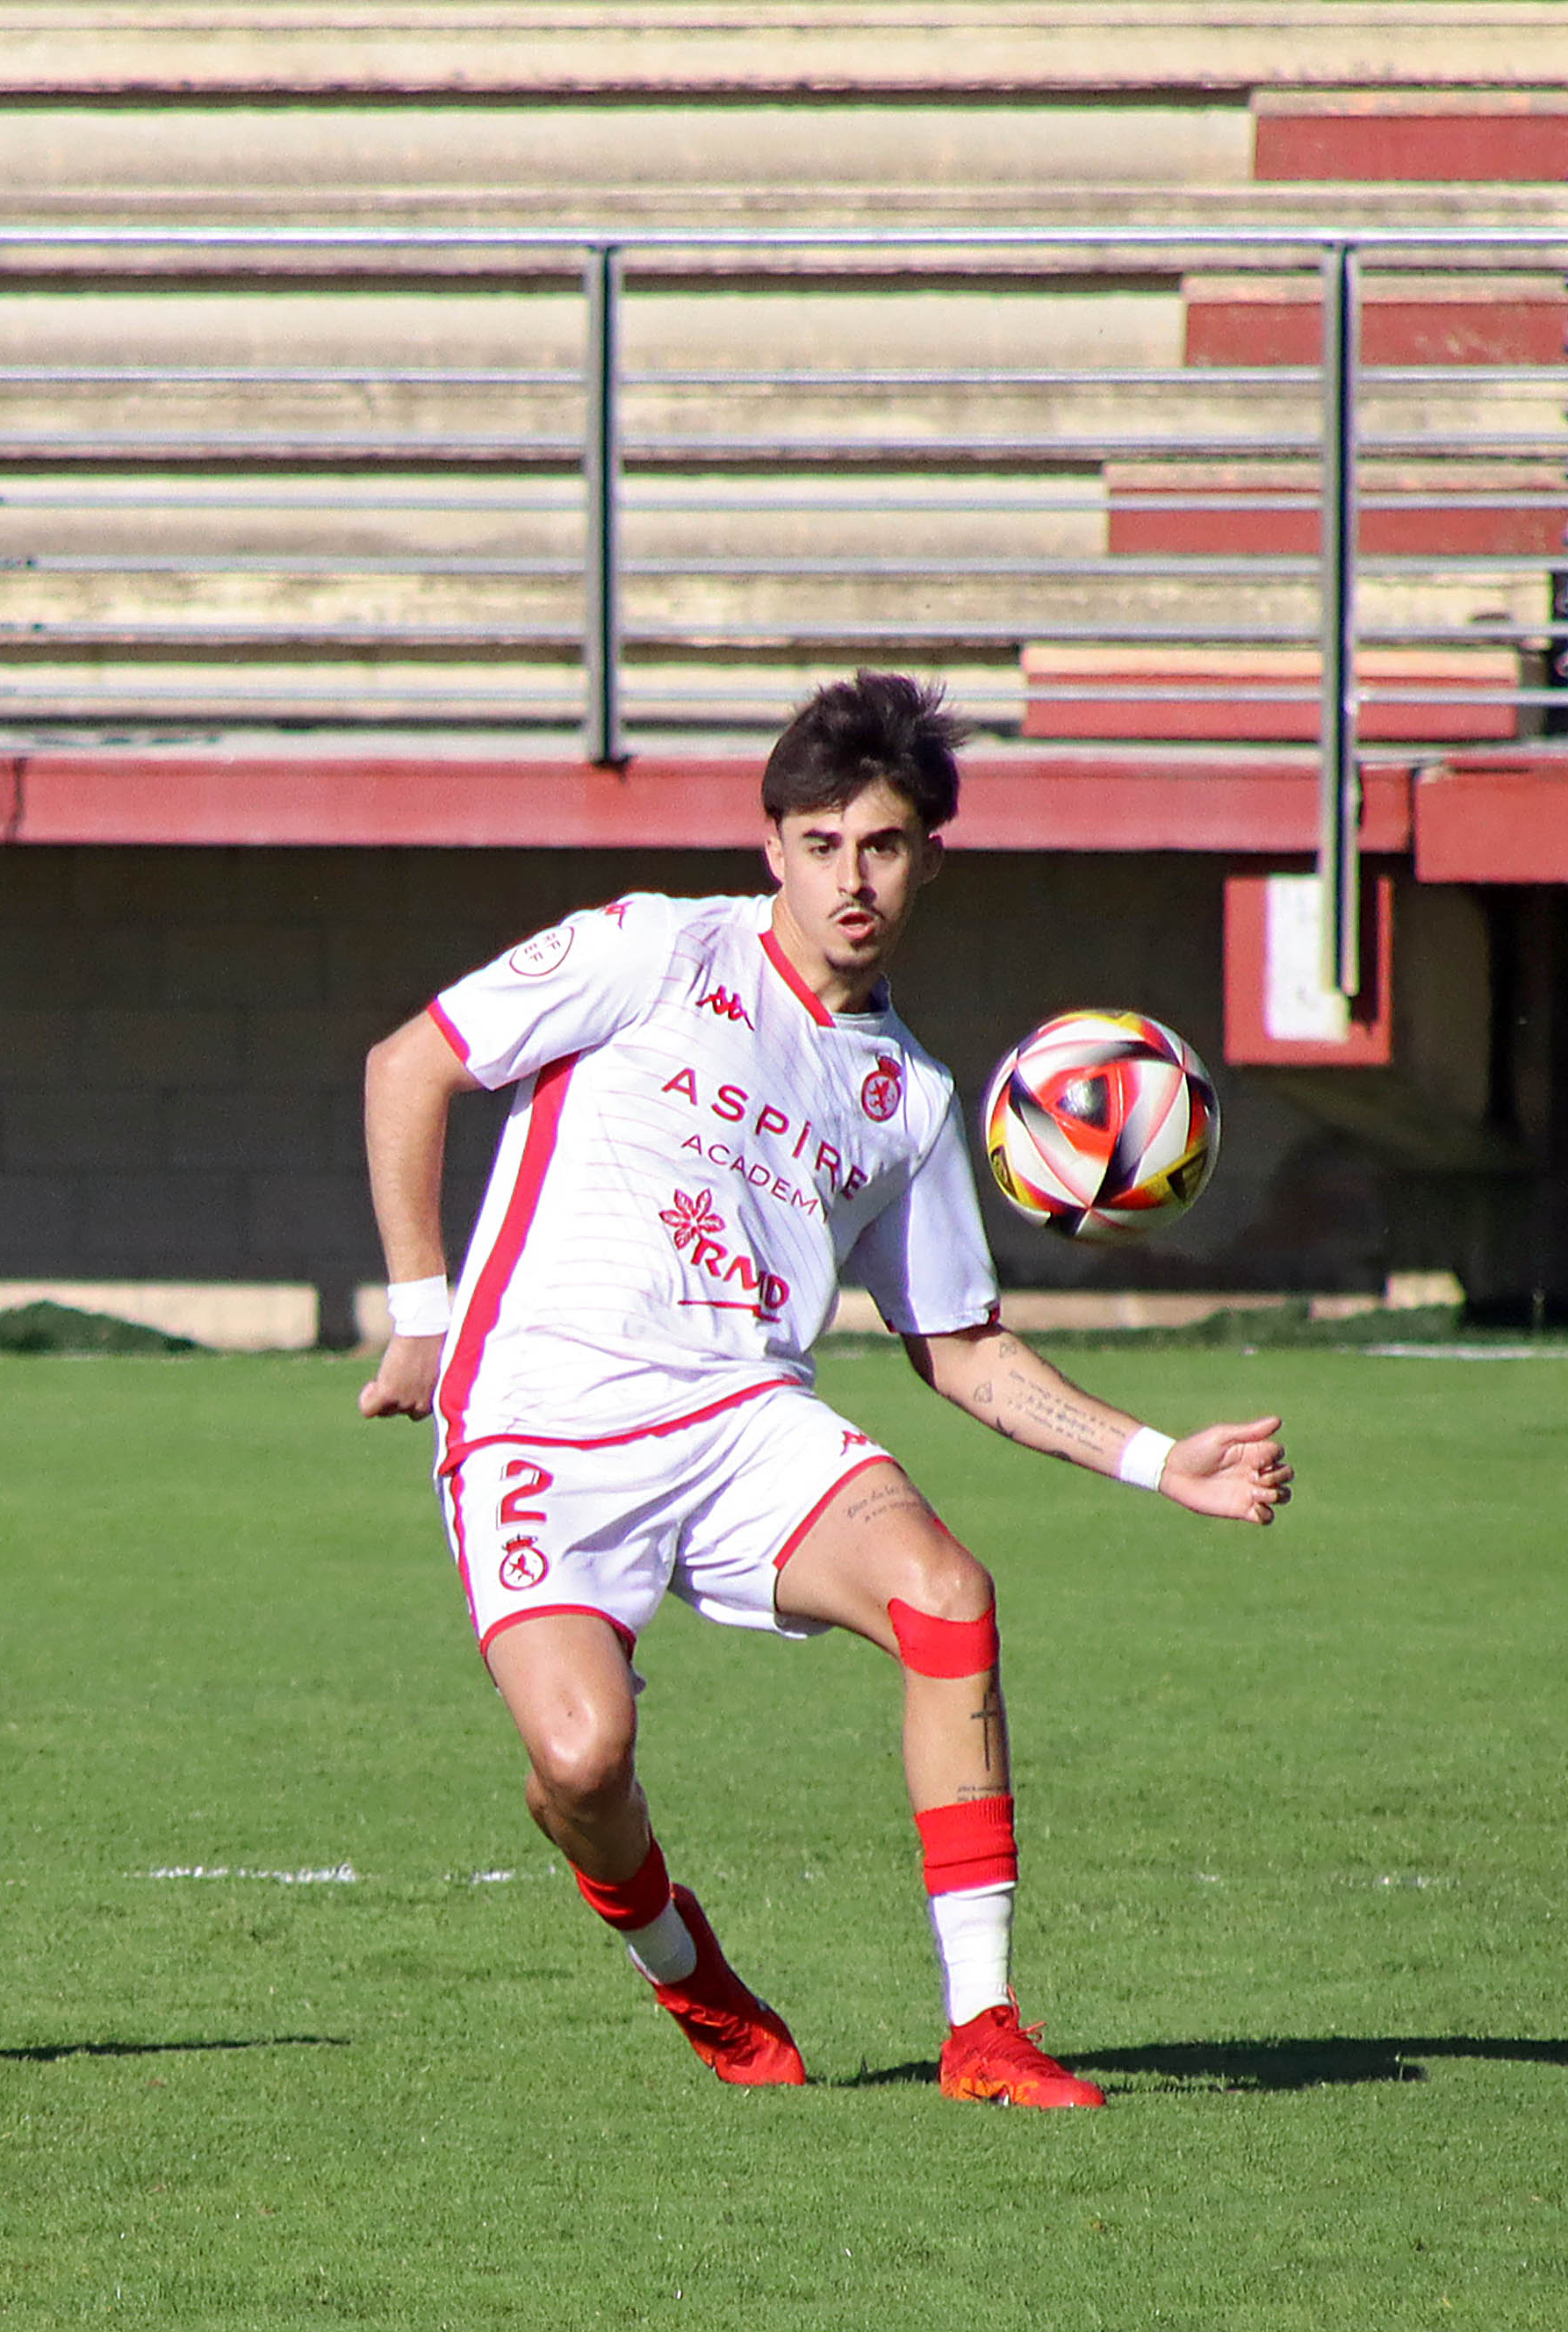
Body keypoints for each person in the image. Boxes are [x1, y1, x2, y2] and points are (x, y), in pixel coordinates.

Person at [357, 671, 1290, 2109]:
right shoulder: (652, 949)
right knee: (581, 1762)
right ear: (772, 846)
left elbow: (962, 1346)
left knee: (949, 1593)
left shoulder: (910, 1096)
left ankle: (984, 2034)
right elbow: (409, 1064)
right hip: (542, 1417)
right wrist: (422, 1312)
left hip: (742, 1419)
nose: (853, 877)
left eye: (887, 844)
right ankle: (689, 1973)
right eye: (823, 843)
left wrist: (1159, 1459)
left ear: (928, 856)